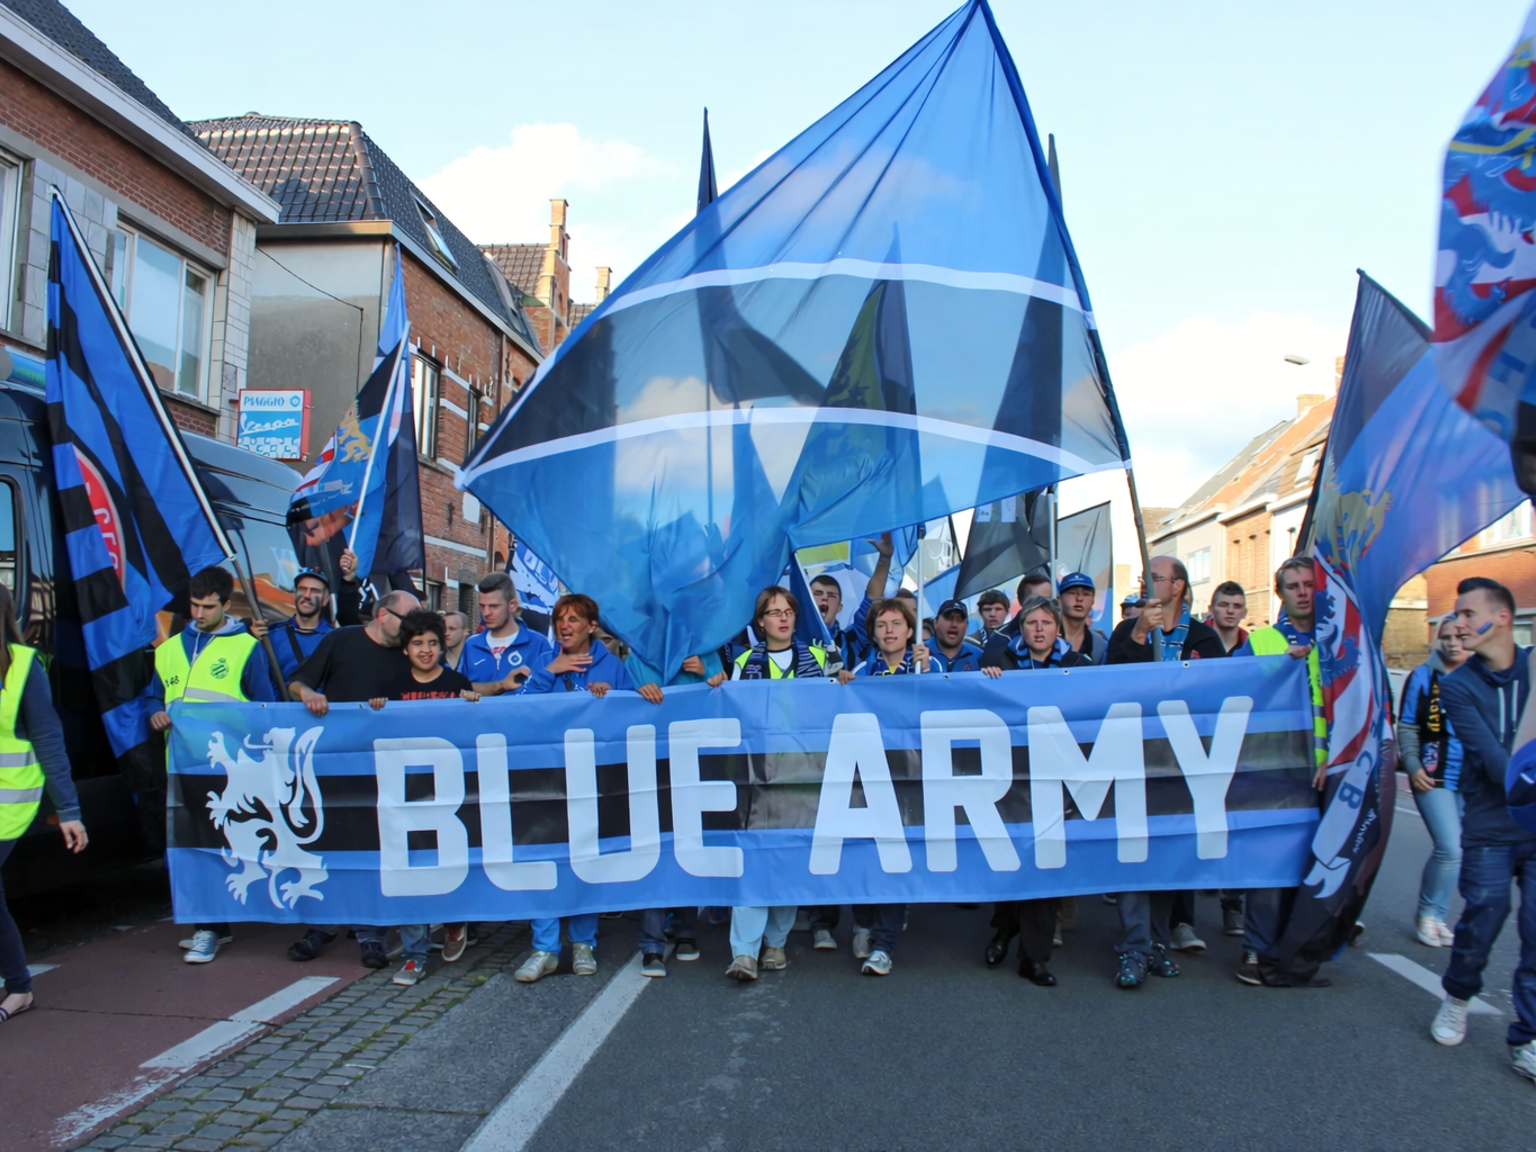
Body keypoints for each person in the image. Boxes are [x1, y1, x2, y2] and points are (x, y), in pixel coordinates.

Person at [1430, 577, 1536, 1082]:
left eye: (1468, 614)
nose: (1458, 624)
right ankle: (1457, 993)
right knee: (1484, 917)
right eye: (1456, 614)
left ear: (1502, 618)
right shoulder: (1455, 685)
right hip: (1493, 827)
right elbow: (1496, 762)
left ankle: (1529, 1036)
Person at [1102, 556, 1224, 988]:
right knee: (1134, 853)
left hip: (1180, 763)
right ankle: (1134, 946)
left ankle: (1155, 942)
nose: (1146, 582)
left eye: (1155, 577)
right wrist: (1138, 634)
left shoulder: (1205, 639)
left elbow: (1216, 694)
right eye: (1144, 576)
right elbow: (1109, 685)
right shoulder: (1125, 632)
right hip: (1132, 759)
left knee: (1166, 856)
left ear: (1178, 587)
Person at [706, 587, 835, 981]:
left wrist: (844, 679)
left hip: (803, 772)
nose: (783, 618)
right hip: (757, 774)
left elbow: (837, 707)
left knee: (788, 858)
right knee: (754, 857)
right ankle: (744, 952)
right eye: (773, 612)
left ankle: (775, 944)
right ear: (759, 621)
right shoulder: (744, 663)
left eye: (789, 612)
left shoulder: (820, 658)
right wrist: (717, 691)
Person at [149, 566, 277, 965]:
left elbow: (264, 708)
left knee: (216, 847)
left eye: (208, 606)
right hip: (180, 765)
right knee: (190, 846)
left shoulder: (245, 648)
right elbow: (154, 697)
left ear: (226, 604)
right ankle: (211, 925)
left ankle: (209, 927)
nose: (199, 613)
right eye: (194, 605)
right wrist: (155, 714)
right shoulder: (168, 649)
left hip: (226, 768)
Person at [284, 588, 418, 967]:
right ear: (382, 615)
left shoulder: (408, 655)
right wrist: (309, 694)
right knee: (330, 844)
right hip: (335, 764)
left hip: (385, 769)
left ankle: (370, 932)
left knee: (374, 849)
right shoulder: (339, 640)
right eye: (407, 620)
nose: (412, 628)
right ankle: (323, 924)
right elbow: (298, 682)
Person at [516, 594, 641, 984]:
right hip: (548, 780)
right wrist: (548, 672)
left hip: (594, 781)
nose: (563, 626)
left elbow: (633, 718)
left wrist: (614, 700)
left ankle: (584, 943)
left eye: (573, 619)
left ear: (591, 626)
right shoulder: (544, 661)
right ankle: (545, 948)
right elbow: (516, 713)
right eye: (558, 619)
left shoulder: (614, 666)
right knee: (546, 860)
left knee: (587, 859)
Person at [359, 610, 480, 984]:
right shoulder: (392, 686)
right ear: (405, 649)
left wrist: (474, 704)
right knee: (411, 871)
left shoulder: (458, 682)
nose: (425, 650)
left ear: (442, 645)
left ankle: (456, 921)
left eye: (432, 643)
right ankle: (415, 954)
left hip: (451, 796)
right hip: (407, 794)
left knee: (451, 866)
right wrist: (377, 711)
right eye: (417, 644)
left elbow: (476, 731)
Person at [979, 596, 1087, 986]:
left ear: (1058, 628)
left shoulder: (1080, 666)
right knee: (1012, 857)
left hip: (1056, 780)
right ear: (1020, 629)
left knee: (1045, 862)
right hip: (1010, 779)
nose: (1038, 629)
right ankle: (1005, 929)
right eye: (1030, 623)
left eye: (1046, 622)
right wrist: (984, 679)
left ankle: (1034, 957)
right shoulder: (1000, 664)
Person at [1231, 558, 1327, 986]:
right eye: (1293, 586)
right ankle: (1258, 947)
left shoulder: (1342, 640)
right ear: (1280, 594)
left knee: (1319, 864)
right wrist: (1280, 667)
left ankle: (1301, 950)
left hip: (1332, 769)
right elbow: (1238, 694)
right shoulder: (1263, 641)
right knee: (1270, 862)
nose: (1303, 592)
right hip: (1273, 769)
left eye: (1309, 584)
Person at [0, 582, 87, 1023]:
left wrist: (69, 810)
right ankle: (18, 985)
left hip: (8, 800)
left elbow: (49, 741)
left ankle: (18, 987)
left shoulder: (23, 667)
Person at [834, 598, 927, 976]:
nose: (889, 630)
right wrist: (841, 686)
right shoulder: (861, 670)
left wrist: (928, 673)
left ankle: (885, 944)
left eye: (897, 623)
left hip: (910, 777)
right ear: (872, 633)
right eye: (881, 625)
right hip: (867, 776)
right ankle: (863, 922)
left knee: (893, 859)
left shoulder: (927, 666)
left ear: (910, 630)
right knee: (863, 854)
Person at [1398, 615, 1468, 948]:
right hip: (1432, 775)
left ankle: (1439, 915)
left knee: (1463, 849)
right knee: (1449, 846)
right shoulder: (1423, 678)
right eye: (1446, 636)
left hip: (1472, 779)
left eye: (1459, 636)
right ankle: (1428, 913)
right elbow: (1408, 726)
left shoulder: (1484, 675)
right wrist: (1412, 766)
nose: (1453, 642)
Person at [253, 549, 361, 686]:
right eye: (302, 589)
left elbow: (351, 621)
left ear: (325, 600)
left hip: (321, 707)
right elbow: (259, 682)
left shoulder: (334, 640)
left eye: (315, 591)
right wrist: (252, 641)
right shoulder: (272, 636)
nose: (307, 595)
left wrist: (349, 579)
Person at [461, 572, 551, 696]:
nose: (486, 613)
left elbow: (547, 694)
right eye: (482, 606)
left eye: (494, 606)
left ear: (512, 605)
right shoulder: (471, 645)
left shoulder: (539, 644)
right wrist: (500, 686)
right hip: (479, 716)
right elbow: (460, 692)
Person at [1057, 572, 1109, 665]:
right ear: (1059, 599)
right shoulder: (1046, 639)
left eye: (1086, 594)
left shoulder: (1100, 646)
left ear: (1093, 601)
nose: (1079, 598)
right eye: (1072, 593)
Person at [928, 599, 984, 673]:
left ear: (966, 626)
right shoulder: (917, 653)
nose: (954, 624)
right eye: (948, 618)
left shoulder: (980, 657)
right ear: (936, 623)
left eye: (960, 619)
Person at [1001, 573, 1054, 637]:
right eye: (1035, 602)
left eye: (1048, 600)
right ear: (1021, 602)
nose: (1043, 606)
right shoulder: (1003, 638)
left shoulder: (1062, 630)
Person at [1207, 581, 1249, 654]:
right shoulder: (1194, 639)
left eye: (1237, 606)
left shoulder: (1251, 644)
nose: (1230, 611)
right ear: (1211, 609)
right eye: (1223, 605)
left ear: (1244, 613)